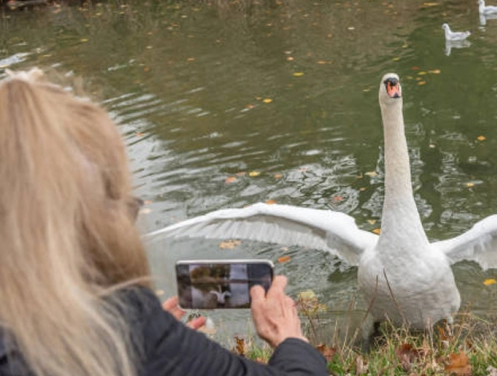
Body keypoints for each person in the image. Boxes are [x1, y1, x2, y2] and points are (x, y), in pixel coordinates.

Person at [0, 68, 328, 376]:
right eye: (123, 208)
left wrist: (168, 351)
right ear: (87, 225)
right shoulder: (125, 326)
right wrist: (289, 339)